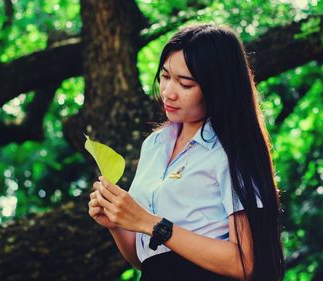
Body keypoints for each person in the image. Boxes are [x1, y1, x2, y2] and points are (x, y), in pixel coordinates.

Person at [88, 24, 285, 281]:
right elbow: (146, 260)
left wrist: (150, 223)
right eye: (165, 76)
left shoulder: (231, 151)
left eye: (185, 83)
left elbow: (246, 263)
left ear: (217, 87)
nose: (169, 92)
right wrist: (116, 224)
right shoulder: (154, 145)